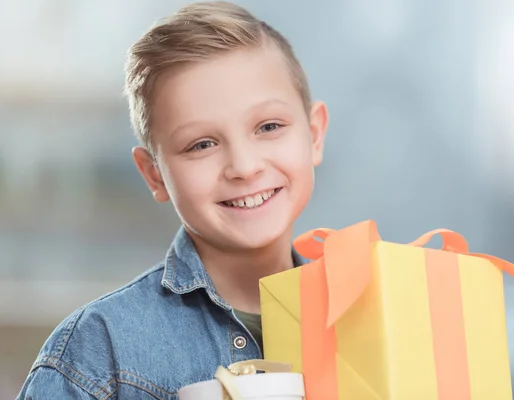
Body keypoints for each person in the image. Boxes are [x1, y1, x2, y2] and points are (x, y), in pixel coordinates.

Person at [17, 1, 328, 398]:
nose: (245, 167)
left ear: (314, 134)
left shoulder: (376, 313)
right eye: (201, 144)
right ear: (154, 174)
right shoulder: (99, 352)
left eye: (268, 126)